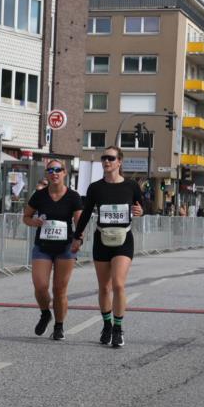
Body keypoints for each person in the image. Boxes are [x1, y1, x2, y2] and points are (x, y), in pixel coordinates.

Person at [71, 147, 144, 348]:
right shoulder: (95, 187)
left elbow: (142, 206)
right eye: (104, 158)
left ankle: (118, 329)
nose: (106, 161)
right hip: (102, 239)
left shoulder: (131, 186)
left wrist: (140, 210)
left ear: (119, 162)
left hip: (123, 240)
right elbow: (86, 214)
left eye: (111, 158)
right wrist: (77, 237)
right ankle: (107, 325)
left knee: (118, 284)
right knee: (104, 287)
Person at [23, 159, 82, 341]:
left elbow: (79, 221)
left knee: (59, 289)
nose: (54, 173)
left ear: (64, 173)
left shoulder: (73, 196)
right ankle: (44, 313)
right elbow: (26, 217)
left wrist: (78, 239)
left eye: (58, 170)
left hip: (65, 248)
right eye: (51, 170)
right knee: (40, 286)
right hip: (43, 247)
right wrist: (34, 222)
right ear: (47, 174)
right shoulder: (39, 195)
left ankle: (59, 326)